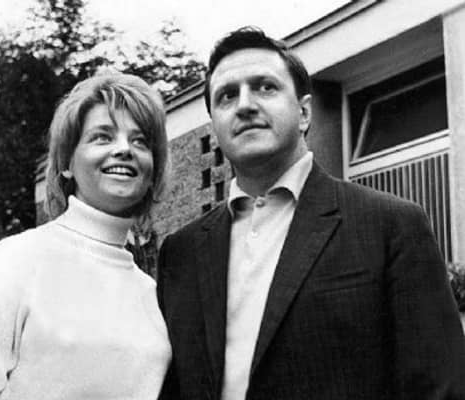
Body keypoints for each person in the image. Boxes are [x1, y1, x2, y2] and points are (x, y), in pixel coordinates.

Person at [157, 27, 465, 400]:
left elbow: (440, 387)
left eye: (265, 87)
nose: (245, 105)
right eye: (227, 96)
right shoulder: (180, 253)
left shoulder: (391, 225)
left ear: (303, 112)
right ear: (215, 128)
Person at [0, 73, 171, 399]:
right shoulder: (18, 259)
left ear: (152, 169)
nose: (124, 149)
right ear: (67, 163)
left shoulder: (153, 295)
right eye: (102, 137)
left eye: (140, 141)